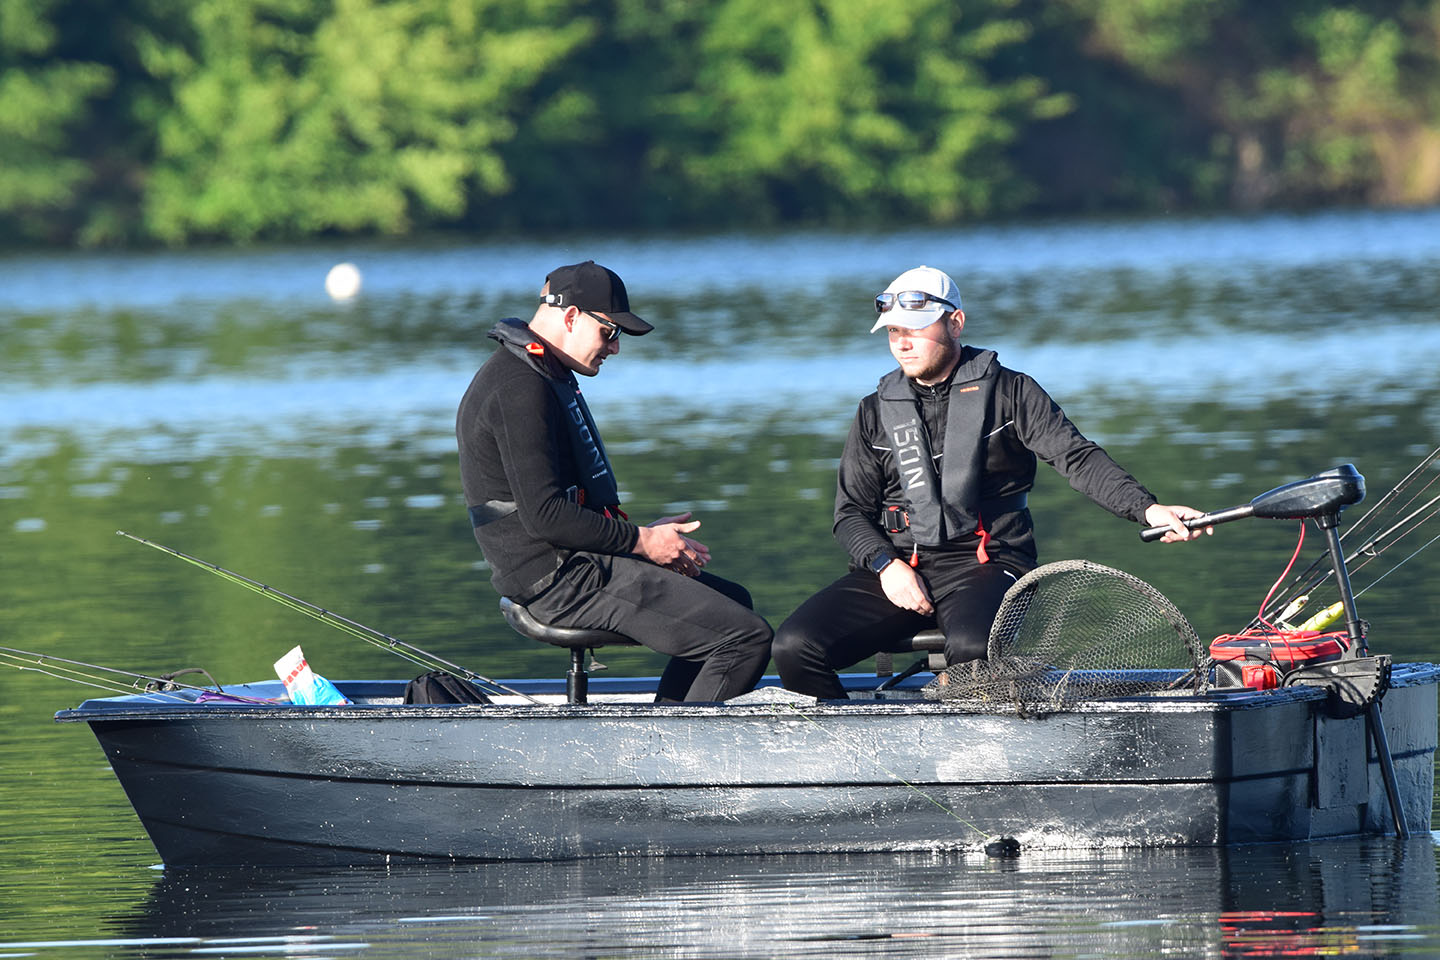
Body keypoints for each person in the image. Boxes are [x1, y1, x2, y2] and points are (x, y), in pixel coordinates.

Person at [772, 265, 1208, 699]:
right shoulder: (873, 411)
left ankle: (965, 753)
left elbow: (1076, 458)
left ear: (955, 323)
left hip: (987, 563)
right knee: (793, 647)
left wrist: (1149, 509)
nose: (902, 343)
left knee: (972, 650)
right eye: (893, 332)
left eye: (916, 330)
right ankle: (860, 754)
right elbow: (849, 514)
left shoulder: (1012, 393)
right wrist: (886, 566)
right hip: (900, 565)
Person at [456, 260, 773, 702]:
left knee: (736, 605)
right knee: (744, 639)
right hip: (558, 582)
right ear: (570, 317)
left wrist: (640, 538)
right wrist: (643, 542)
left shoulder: (537, 373)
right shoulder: (518, 386)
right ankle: (675, 759)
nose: (615, 348)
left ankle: (667, 725)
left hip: (574, 563)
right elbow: (545, 516)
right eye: (610, 332)